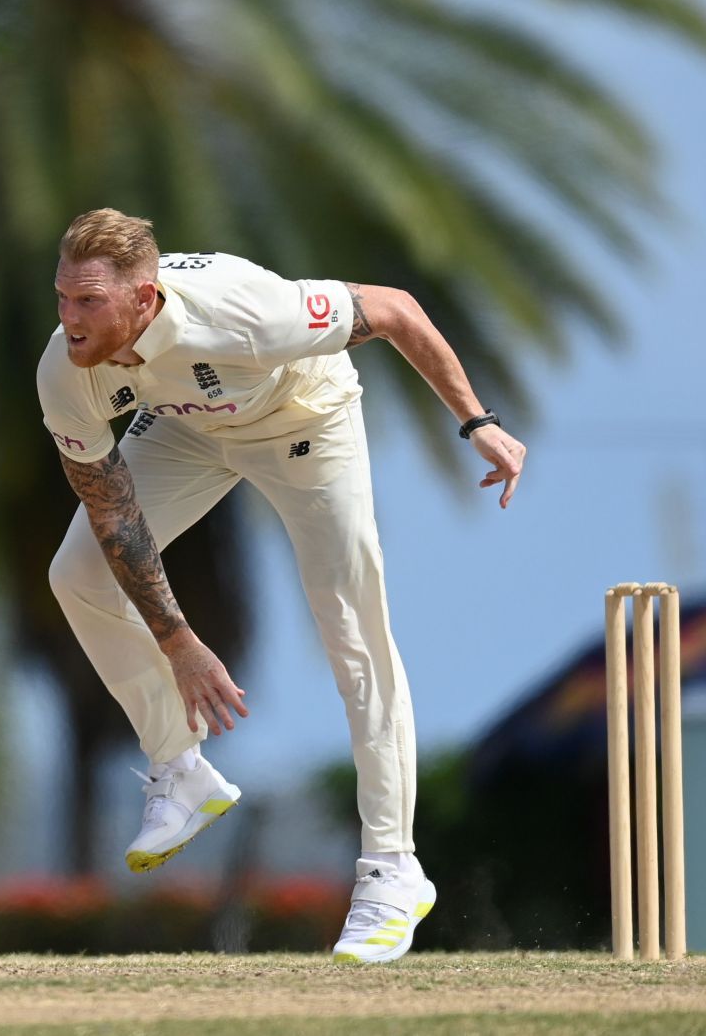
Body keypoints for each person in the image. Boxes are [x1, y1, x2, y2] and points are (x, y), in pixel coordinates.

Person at [39, 208, 526, 964]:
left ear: (144, 296)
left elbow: (395, 307)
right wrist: (180, 643)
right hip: (188, 430)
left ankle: (394, 870)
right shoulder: (65, 372)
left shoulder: (245, 313)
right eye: (64, 297)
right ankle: (181, 766)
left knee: (351, 631)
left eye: (89, 301)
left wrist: (478, 422)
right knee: (75, 574)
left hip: (306, 422)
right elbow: (112, 513)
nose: (70, 320)